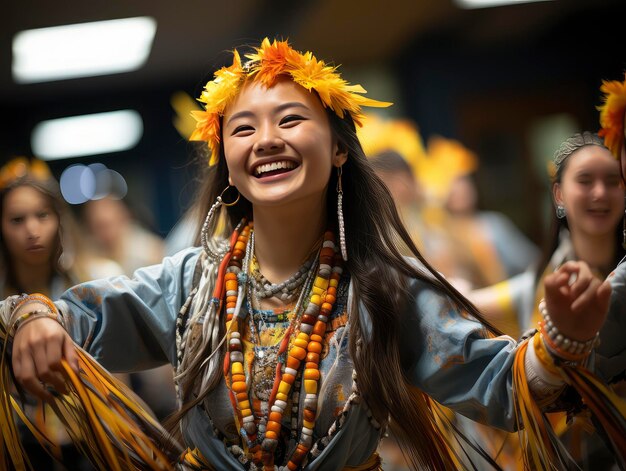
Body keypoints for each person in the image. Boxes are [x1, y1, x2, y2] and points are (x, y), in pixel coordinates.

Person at [0, 38, 621, 470]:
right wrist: (35, 317)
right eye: (243, 128)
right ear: (230, 164)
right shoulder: (188, 283)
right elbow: (77, 320)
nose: (266, 139)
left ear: (340, 149)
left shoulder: (386, 291)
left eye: (291, 119)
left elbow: (504, 387)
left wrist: (560, 339)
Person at [465, 132, 625, 469]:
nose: (600, 192)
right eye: (585, 180)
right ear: (559, 194)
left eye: (613, 181)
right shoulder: (534, 288)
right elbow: (463, 304)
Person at [0, 157, 125, 471]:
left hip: (96, 442)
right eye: (17, 220)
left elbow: (117, 376)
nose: (32, 230)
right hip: (18, 448)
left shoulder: (96, 282)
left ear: (59, 218)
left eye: (42, 215)